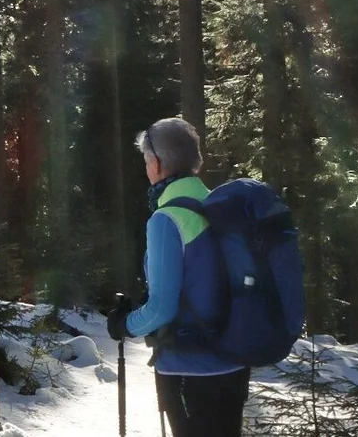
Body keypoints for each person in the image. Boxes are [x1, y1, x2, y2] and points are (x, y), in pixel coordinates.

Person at [107, 117, 251, 437]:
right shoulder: (218, 206)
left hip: (191, 368)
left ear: (157, 163)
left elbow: (162, 309)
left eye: (146, 161)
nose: (146, 169)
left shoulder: (166, 219)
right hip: (235, 363)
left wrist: (123, 324)